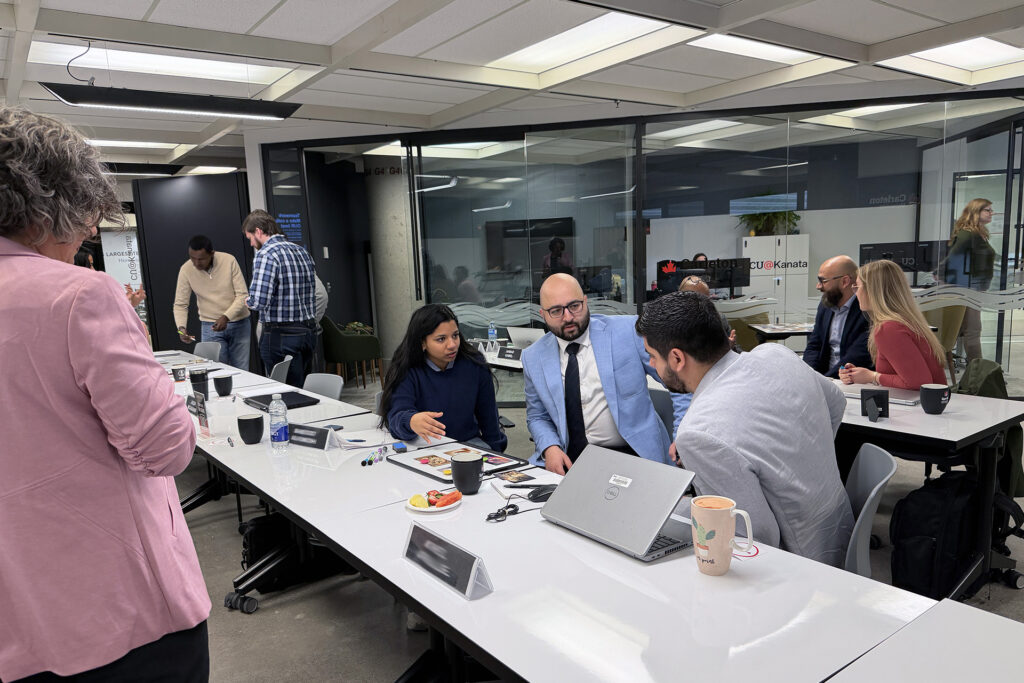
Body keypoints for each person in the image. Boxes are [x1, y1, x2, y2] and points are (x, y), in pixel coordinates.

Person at [0, 108, 209, 682]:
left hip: (19, 621)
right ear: (49, 208)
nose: (91, 232)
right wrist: (144, 361)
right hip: (117, 611)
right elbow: (166, 449)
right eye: (86, 216)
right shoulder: (80, 296)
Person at [636, 291, 854, 566]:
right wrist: (805, 457)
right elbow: (836, 402)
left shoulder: (698, 433)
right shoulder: (775, 353)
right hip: (839, 527)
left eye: (652, 356)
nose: (652, 365)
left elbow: (756, 535)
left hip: (797, 565)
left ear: (677, 358)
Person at [522, 273, 684, 473]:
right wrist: (549, 447)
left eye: (574, 306)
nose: (568, 317)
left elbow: (680, 384)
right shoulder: (533, 357)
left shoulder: (628, 332)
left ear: (585, 302)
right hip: (572, 459)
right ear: (542, 314)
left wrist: (683, 434)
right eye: (556, 311)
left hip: (633, 455)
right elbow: (537, 416)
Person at [380, 304, 506, 452]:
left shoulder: (474, 363)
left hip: (468, 445)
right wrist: (411, 421)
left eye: (455, 335)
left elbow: (489, 418)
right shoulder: (407, 368)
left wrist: (496, 454)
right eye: (441, 339)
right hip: (424, 447)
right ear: (422, 343)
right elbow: (396, 416)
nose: (452, 345)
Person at [840, 259, 946, 390]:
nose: (855, 294)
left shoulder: (889, 329)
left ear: (873, 291)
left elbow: (918, 383)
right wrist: (860, 374)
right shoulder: (906, 321)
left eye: (857, 287)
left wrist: (872, 376)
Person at [243, 209, 318, 387]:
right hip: (308, 332)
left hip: (280, 335)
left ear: (258, 231)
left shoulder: (266, 254)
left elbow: (259, 301)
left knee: (284, 392)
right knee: (303, 390)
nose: (252, 244)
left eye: (250, 238)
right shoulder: (301, 251)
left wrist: (247, 300)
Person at [173, 234, 252, 370]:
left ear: (212, 254)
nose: (196, 263)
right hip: (210, 327)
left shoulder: (228, 260)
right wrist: (181, 328)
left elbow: (242, 295)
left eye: (201, 259)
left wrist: (226, 317)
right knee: (214, 371)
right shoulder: (186, 269)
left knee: (242, 370)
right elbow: (180, 304)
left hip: (239, 324)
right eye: (192, 258)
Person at [942, 197, 996, 362]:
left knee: (968, 329)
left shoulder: (979, 234)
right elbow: (952, 258)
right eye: (987, 210)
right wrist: (939, 274)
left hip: (974, 288)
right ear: (976, 212)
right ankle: (977, 372)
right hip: (967, 289)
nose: (991, 213)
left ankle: (974, 369)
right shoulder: (968, 234)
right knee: (973, 330)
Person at [803, 255, 872, 378]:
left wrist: (825, 382)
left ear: (845, 281)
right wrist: (809, 375)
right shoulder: (826, 305)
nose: (818, 286)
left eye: (823, 281)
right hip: (824, 378)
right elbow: (814, 345)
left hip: (850, 380)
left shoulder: (867, 310)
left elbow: (857, 357)